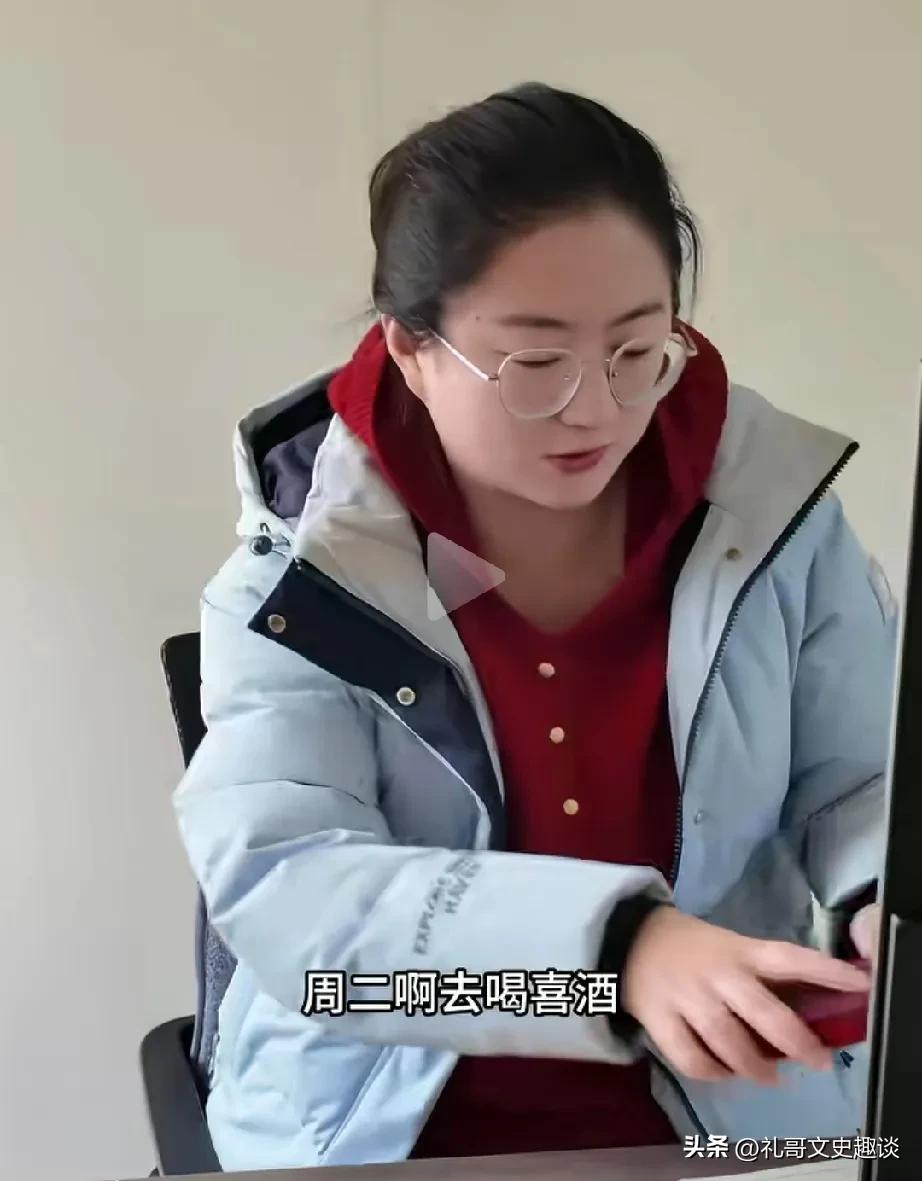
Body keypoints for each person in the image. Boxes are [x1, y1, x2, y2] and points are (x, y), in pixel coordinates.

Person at [173, 82, 894, 1172]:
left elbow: (866, 776)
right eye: (535, 363)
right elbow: (299, 896)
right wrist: (615, 953)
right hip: (386, 1135)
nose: (595, 408)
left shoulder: (776, 526)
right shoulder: (298, 584)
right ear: (410, 349)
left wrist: (886, 894)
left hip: (732, 1124)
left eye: (637, 350)